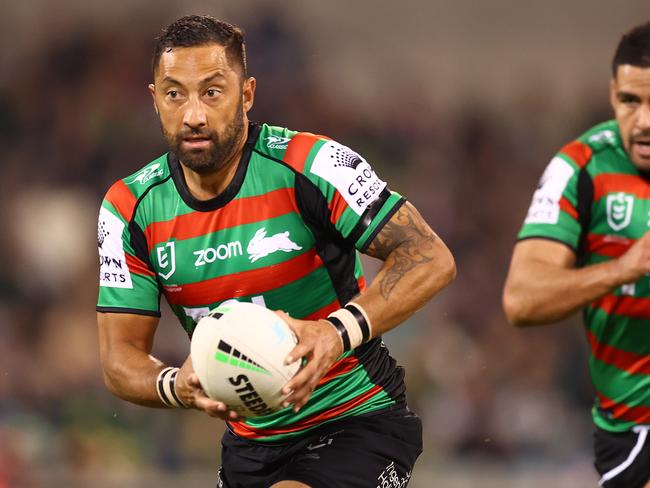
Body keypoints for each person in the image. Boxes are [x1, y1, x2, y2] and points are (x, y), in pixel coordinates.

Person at [96, 15, 456, 488]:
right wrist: (174, 385)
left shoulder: (314, 166)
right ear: (154, 99)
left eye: (212, 91)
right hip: (249, 447)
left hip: (358, 419)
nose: (193, 115)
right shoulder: (128, 210)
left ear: (246, 95)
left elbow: (431, 258)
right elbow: (119, 358)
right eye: (174, 93)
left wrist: (334, 333)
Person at [503, 21, 650, 488]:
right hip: (632, 429)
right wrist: (625, 267)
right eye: (631, 101)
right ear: (612, 95)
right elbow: (522, 300)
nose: (644, 120)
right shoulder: (581, 167)